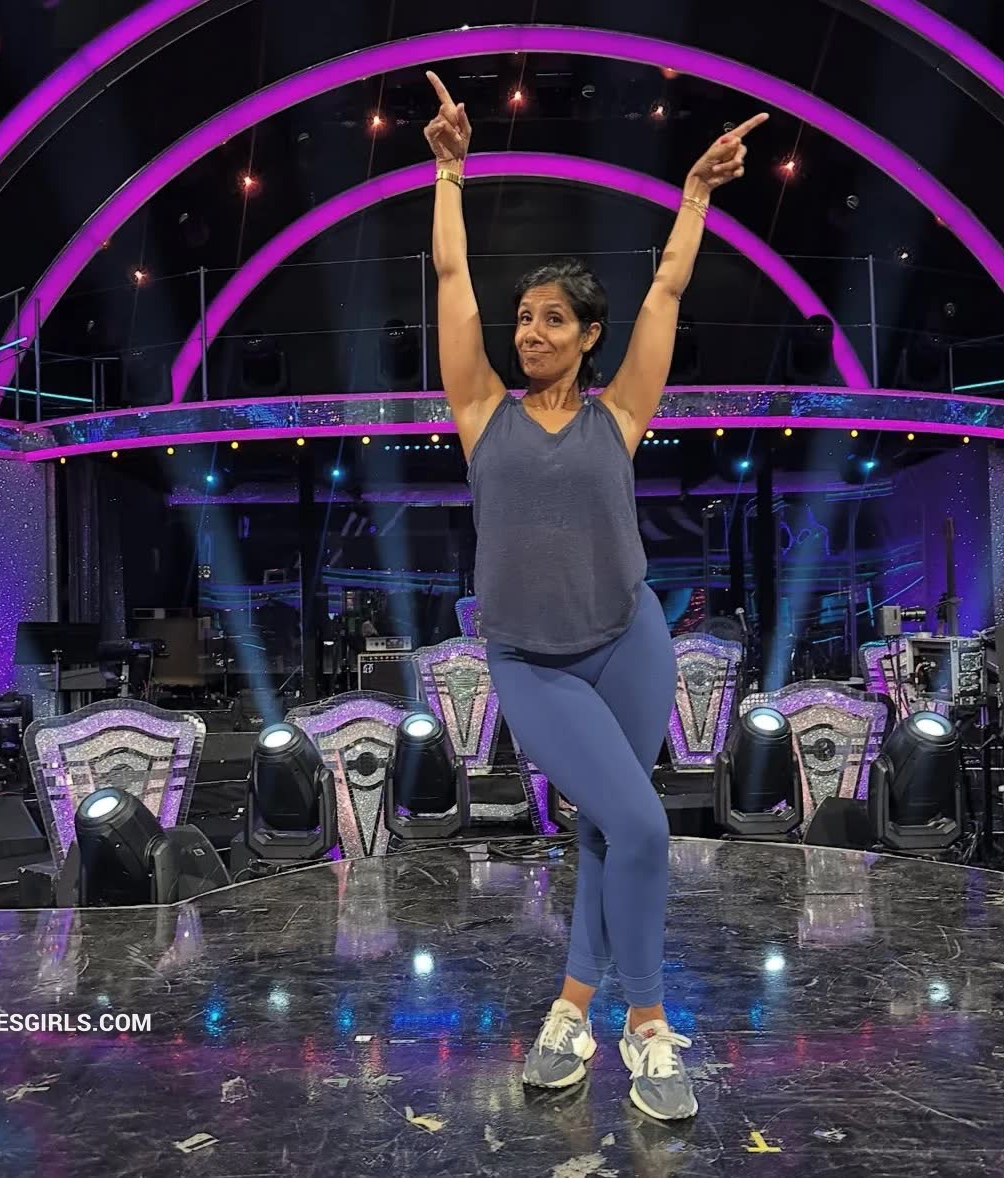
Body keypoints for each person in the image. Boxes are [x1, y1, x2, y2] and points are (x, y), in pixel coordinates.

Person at [424, 69, 767, 1121]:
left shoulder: (617, 416)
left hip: (629, 639)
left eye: (551, 319)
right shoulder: (480, 411)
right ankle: (649, 1026)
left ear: (585, 336)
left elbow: (664, 294)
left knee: (609, 831)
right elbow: (451, 276)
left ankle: (571, 1010)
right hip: (531, 663)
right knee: (642, 827)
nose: (527, 331)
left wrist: (694, 198)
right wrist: (449, 173)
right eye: (522, 317)